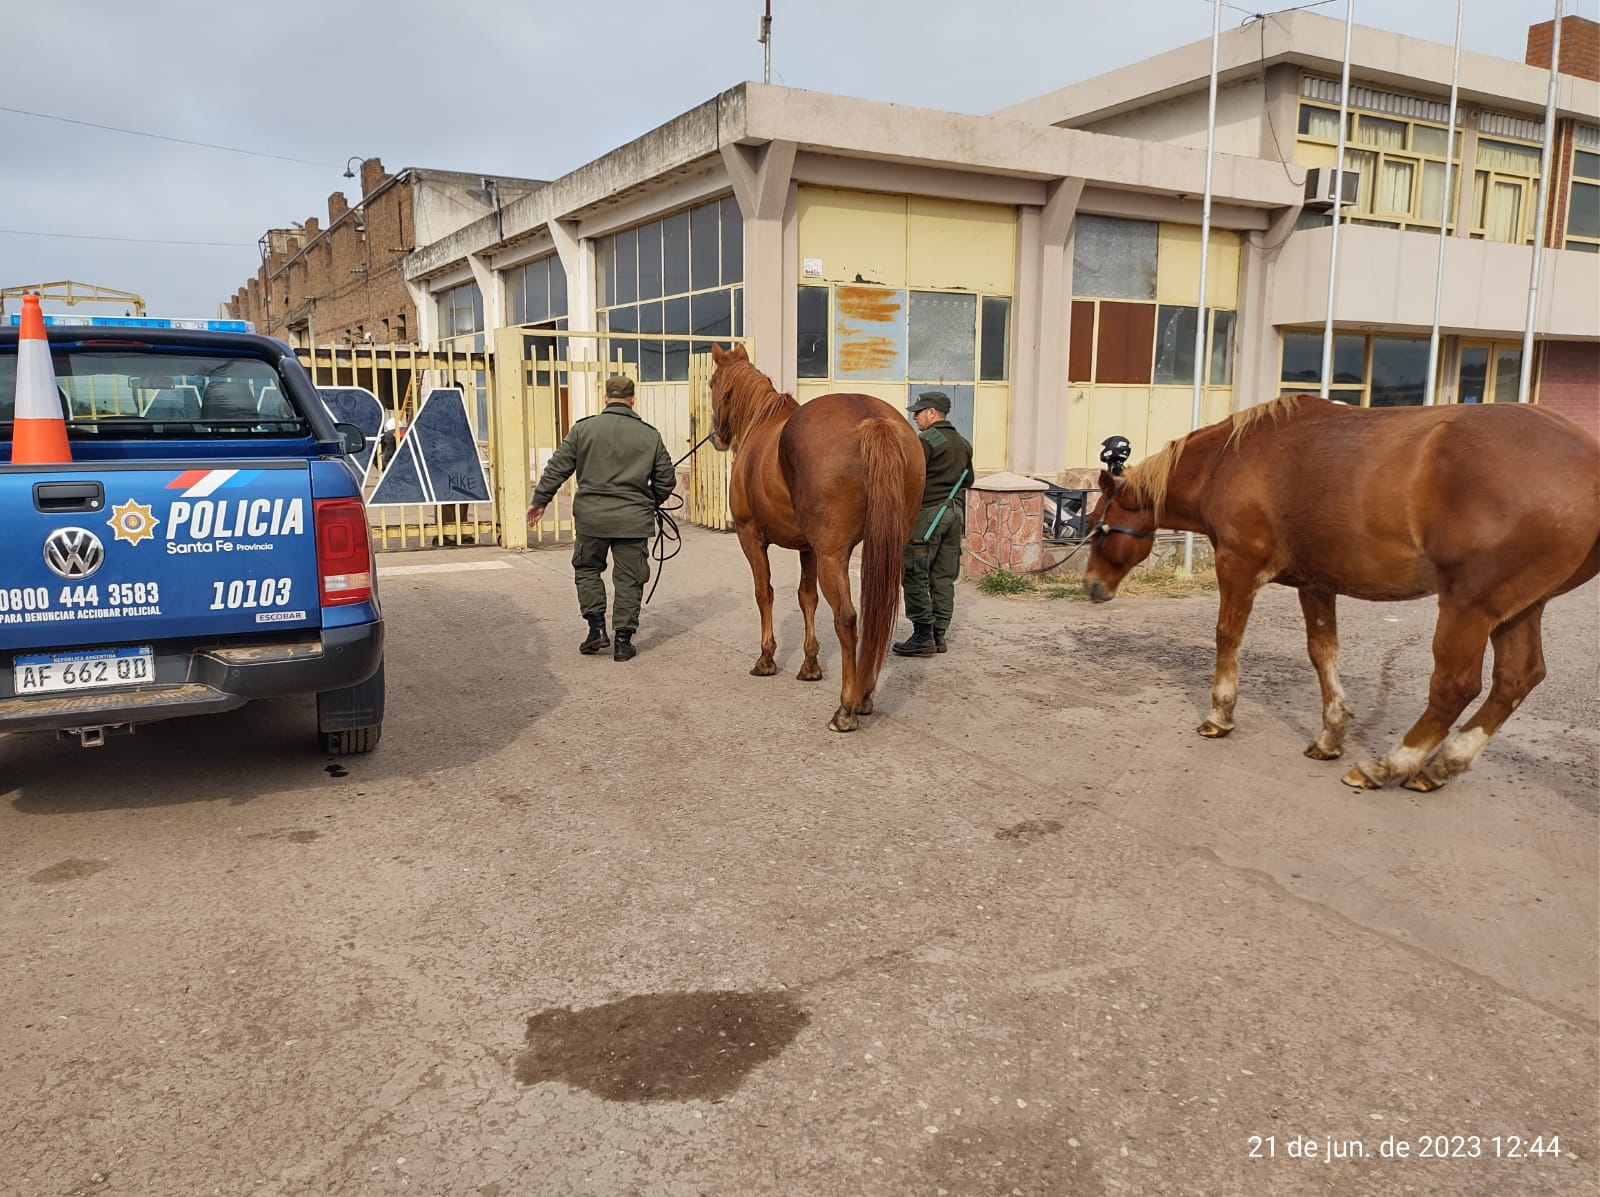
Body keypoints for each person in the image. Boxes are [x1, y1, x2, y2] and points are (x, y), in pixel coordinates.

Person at [526, 375, 676, 661]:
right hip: (632, 520)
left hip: (591, 519)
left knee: (587, 569)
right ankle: (623, 641)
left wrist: (540, 500)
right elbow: (666, 480)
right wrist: (649, 501)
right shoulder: (650, 435)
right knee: (630, 578)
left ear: (605, 398)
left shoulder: (584, 429)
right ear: (633, 399)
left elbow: (558, 467)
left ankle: (596, 630)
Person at [893, 390, 973, 658]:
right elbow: (968, 480)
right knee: (943, 576)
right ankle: (939, 634)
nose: (914, 416)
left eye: (919, 411)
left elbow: (908, 476)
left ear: (932, 413)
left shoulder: (927, 440)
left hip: (929, 515)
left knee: (914, 572)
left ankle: (922, 635)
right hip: (954, 514)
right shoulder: (963, 443)